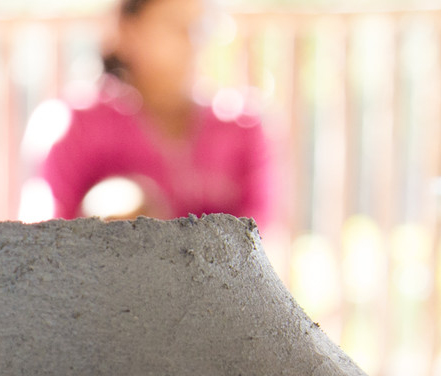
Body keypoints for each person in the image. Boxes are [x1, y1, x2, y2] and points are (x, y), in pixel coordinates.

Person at [27, 0, 270, 225]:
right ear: (128, 31)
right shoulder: (72, 123)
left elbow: (259, 234)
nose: (192, 40)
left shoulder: (244, 127)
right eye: (174, 25)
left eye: (200, 25)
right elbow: (44, 236)